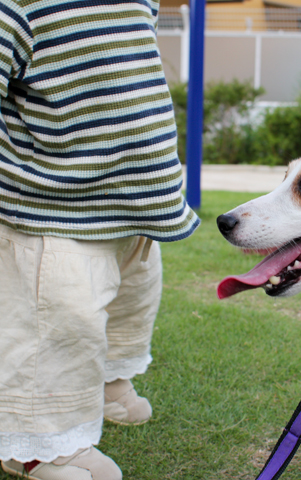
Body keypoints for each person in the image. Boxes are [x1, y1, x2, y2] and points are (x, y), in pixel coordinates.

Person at [0, 0, 200, 478]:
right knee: (59, 326)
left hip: (131, 209)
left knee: (132, 304)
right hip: (58, 211)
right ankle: (39, 444)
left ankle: (110, 384)